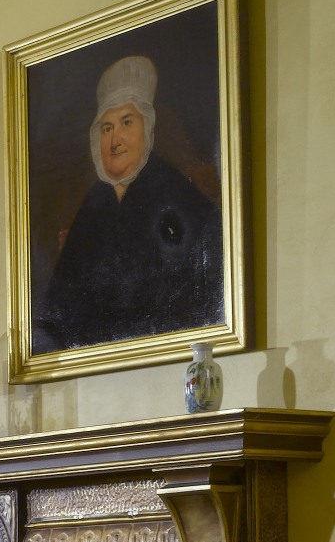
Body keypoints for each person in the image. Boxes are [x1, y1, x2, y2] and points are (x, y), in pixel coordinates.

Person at [34, 54, 222, 351]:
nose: (115, 140)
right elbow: (60, 311)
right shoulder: (94, 204)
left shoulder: (178, 195)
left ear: (147, 128)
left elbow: (199, 295)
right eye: (107, 128)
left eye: (126, 123)